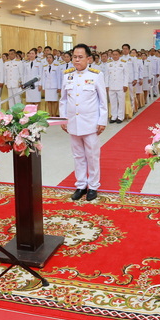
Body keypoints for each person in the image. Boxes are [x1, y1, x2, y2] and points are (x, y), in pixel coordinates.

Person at [60, 44, 108, 202]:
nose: (76, 60)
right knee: (78, 155)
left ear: (89, 59)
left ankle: (93, 186)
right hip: (73, 122)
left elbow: (103, 100)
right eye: (74, 57)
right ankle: (81, 185)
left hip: (90, 123)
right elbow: (63, 100)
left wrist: (102, 120)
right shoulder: (67, 75)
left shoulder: (96, 75)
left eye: (80, 57)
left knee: (92, 156)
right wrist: (63, 118)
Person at [105, 49, 129, 123]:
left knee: (121, 102)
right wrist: (106, 85)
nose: (115, 56)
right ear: (111, 55)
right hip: (111, 86)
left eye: (116, 55)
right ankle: (114, 116)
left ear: (119, 55)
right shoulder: (108, 64)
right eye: (113, 55)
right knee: (112, 102)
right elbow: (106, 75)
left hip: (121, 86)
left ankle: (120, 117)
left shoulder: (123, 63)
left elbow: (126, 75)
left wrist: (125, 85)